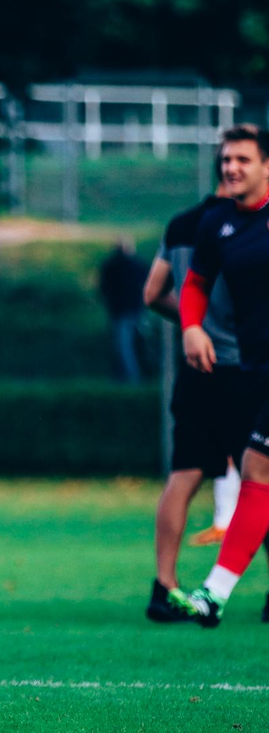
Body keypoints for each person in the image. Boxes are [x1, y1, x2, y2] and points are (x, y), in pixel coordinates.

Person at [142, 171, 254, 622]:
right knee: (260, 479)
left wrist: (193, 327)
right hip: (244, 367)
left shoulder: (182, 223)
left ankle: (164, 586)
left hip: (195, 368)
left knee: (184, 475)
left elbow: (153, 293)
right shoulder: (246, 226)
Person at [180, 124, 269, 625]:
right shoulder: (217, 224)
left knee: (257, 471)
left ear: (267, 166)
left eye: (243, 159)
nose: (231, 167)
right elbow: (196, 283)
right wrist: (192, 327)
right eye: (226, 159)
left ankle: (214, 594)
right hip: (254, 368)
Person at [100, 239, 148, 383]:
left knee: (123, 345)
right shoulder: (137, 264)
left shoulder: (110, 265)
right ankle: (132, 378)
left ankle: (129, 378)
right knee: (129, 344)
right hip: (135, 309)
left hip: (118, 310)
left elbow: (103, 288)